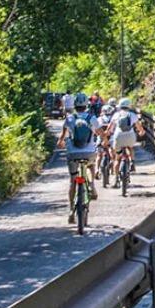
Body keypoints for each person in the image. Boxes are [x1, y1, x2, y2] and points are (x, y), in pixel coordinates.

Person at [56, 92, 99, 223]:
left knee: (73, 180)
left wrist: (61, 143)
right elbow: (101, 133)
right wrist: (105, 141)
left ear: (74, 105)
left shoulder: (69, 118)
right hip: (89, 153)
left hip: (73, 154)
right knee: (91, 164)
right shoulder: (91, 118)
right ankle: (92, 184)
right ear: (86, 105)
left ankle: (71, 211)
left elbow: (62, 137)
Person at [110, 97, 145, 174]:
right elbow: (139, 127)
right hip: (130, 136)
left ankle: (116, 178)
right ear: (129, 106)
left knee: (117, 158)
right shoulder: (132, 115)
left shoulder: (116, 115)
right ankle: (132, 161)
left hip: (118, 136)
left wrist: (109, 133)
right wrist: (141, 132)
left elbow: (110, 128)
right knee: (130, 147)